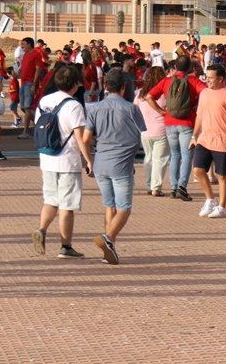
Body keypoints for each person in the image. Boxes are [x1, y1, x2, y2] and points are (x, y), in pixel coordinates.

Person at [83, 70, 145, 264]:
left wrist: (92, 157)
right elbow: (142, 133)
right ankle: (108, 239)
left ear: (105, 86)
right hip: (122, 164)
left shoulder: (94, 108)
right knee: (124, 207)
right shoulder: (131, 108)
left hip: (101, 162)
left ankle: (109, 250)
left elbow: (85, 139)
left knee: (109, 206)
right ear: (124, 87)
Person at [31, 66, 93, 259]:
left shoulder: (44, 101)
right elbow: (80, 137)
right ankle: (65, 246)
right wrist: (89, 160)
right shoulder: (73, 105)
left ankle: (41, 229)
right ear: (75, 85)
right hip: (67, 161)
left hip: (47, 157)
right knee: (67, 205)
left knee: (50, 199)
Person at [145, 55, 205, 201]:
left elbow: (149, 97)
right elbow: (206, 93)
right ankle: (182, 187)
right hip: (187, 122)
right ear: (190, 68)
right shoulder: (193, 81)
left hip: (169, 122)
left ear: (175, 67)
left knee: (175, 156)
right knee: (186, 156)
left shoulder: (166, 81)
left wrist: (161, 111)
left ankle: (173, 188)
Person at [189, 64, 226, 219]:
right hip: (205, 138)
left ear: (220, 79)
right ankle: (210, 200)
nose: (207, 80)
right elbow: (199, 115)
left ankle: (222, 206)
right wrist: (194, 136)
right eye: (206, 77)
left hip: (223, 139)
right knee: (198, 170)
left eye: (211, 78)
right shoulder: (204, 93)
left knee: (221, 175)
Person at [134, 66, 170, 197]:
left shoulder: (140, 93)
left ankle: (149, 185)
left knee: (148, 158)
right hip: (161, 129)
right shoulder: (164, 94)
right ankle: (156, 187)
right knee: (160, 159)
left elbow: (135, 109)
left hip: (145, 130)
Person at [17, 37, 44, 138]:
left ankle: (25, 131)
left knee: (27, 107)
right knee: (23, 107)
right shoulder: (25, 55)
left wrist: (34, 84)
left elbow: (38, 69)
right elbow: (23, 68)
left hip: (29, 83)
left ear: (29, 44)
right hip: (23, 83)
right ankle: (38, 125)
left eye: (24, 44)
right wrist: (18, 74)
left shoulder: (36, 55)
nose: (22, 46)